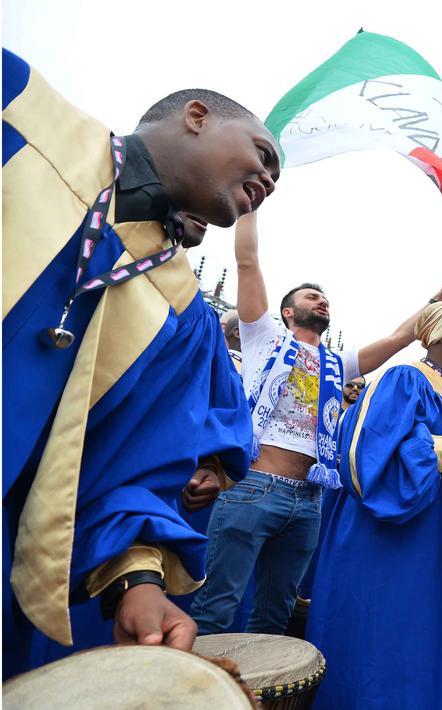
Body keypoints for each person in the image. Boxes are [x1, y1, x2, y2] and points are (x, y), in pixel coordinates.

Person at [3, 49, 276, 673]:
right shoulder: (21, 114)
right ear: (198, 116)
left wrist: (138, 582)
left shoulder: (178, 312)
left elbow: (123, 463)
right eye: (262, 153)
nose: (269, 177)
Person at [190, 211, 442, 636]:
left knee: (274, 618)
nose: (321, 301)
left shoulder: (338, 364)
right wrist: (250, 205)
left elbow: (399, 338)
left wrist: (436, 301)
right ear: (287, 311)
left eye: (324, 297)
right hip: (256, 489)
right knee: (217, 608)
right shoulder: (264, 338)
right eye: (311, 296)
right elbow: (247, 261)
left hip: (309, 501)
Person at [305, 298, 442, 709]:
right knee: (398, 655)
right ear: (436, 333)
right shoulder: (405, 378)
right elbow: (368, 457)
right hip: (402, 550)